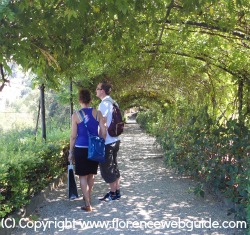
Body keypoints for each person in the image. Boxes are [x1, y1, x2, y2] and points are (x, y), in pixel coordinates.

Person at [68, 89, 106, 211]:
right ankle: (88, 196)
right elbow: (103, 131)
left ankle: (87, 203)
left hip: (80, 149)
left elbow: (73, 136)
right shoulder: (98, 113)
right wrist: (100, 141)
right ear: (90, 100)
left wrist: (70, 151)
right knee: (91, 175)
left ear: (79, 100)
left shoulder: (75, 115)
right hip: (94, 148)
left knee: (82, 176)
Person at [96, 81, 121, 201]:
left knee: (107, 168)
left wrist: (101, 140)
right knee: (114, 166)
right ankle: (116, 191)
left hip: (108, 141)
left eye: (97, 88)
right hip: (115, 139)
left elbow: (103, 123)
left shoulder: (104, 104)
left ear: (102, 91)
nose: (96, 90)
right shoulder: (113, 102)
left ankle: (112, 194)